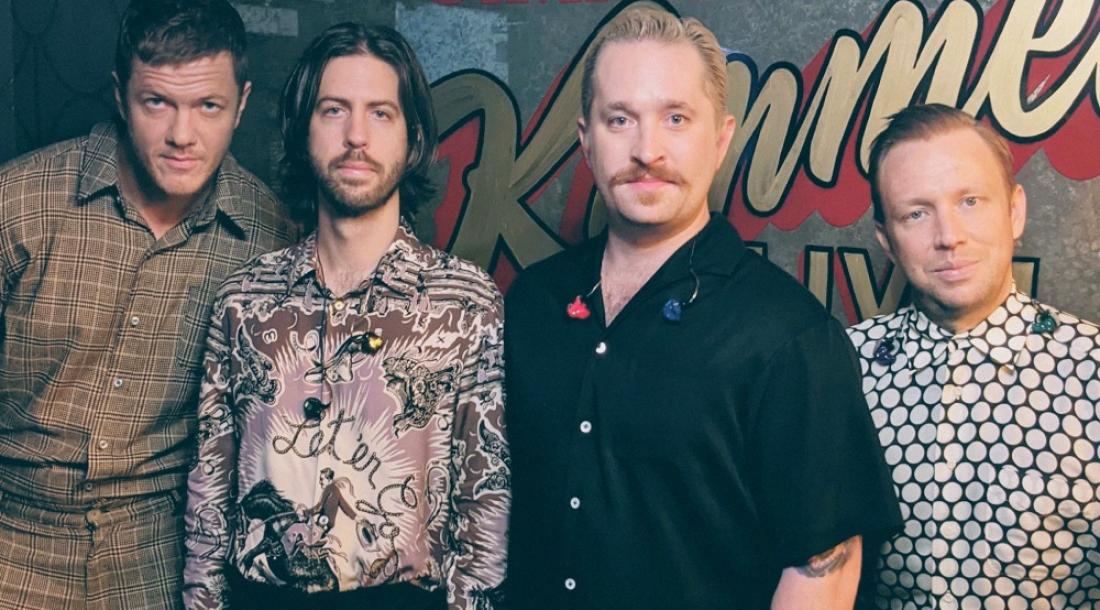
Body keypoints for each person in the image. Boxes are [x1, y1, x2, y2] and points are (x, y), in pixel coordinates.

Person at [504, 6, 902, 609]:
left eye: (676, 118)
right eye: (620, 119)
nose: (647, 150)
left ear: (720, 140)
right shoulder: (533, 303)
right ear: (586, 142)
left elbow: (822, 572)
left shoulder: (789, 336)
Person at [182, 22, 508, 610]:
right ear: (302, 129)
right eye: (334, 110)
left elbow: (483, 502)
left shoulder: (464, 302)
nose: (357, 136)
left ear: (413, 137)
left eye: (380, 113)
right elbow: (209, 497)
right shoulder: (244, 301)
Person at [0, 1, 295, 608]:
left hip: (161, 560)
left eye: (208, 106)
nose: (182, 135)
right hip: (14, 537)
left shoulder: (268, 239)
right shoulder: (20, 201)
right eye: (157, 102)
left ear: (241, 104)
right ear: (120, 95)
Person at [849, 103, 1100, 609]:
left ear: (1014, 212)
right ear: (886, 241)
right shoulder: (842, 367)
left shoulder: (1091, 371)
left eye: (970, 201)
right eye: (916, 213)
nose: (949, 236)